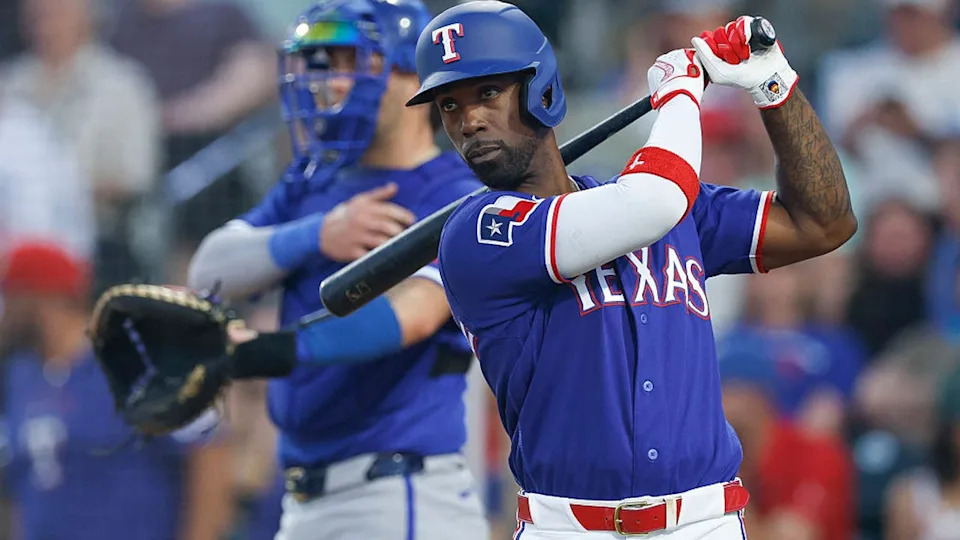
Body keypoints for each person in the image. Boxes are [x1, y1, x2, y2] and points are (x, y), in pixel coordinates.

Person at [405, 2, 858, 538]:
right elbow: (653, 202)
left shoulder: (661, 204)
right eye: (449, 105)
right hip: (571, 527)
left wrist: (775, 87)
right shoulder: (477, 233)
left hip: (704, 522)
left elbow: (824, 222)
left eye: (487, 93)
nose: (469, 120)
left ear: (540, 90)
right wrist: (680, 94)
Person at [187, 1, 489, 538]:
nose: (328, 82)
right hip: (303, 496)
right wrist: (316, 233)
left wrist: (265, 350)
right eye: (321, 62)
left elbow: (410, 317)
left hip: (400, 492)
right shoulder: (312, 184)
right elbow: (208, 272)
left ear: (410, 77)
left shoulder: (458, 196)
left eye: (351, 61)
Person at [0, 242, 234, 540]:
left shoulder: (133, 358)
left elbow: (208, 451)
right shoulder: (20, 375)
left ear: (39, 297)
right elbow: (23, 492)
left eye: (9, 296)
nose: (3, 313)